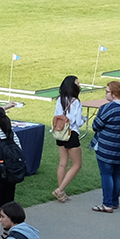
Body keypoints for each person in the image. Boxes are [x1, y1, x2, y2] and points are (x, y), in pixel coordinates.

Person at [90, 82, 120, 214]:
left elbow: (96, 126)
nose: (105, 93)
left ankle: (107, 204)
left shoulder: (107, 108)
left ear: (114, 94)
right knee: (117, 173)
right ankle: (114, 202)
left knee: (106, 173)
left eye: (107, 91)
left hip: (106, 147)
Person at [51, 75, 85, 203]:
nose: (79, 85)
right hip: (71, 134)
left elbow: (56, 115)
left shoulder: (60, 99)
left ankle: (62, 192)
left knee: (63, 163)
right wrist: (84, 120)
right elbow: (77, 121)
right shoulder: (75, 102)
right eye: (77, 83)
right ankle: (60, 190)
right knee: (77, 165)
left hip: (60, 133)